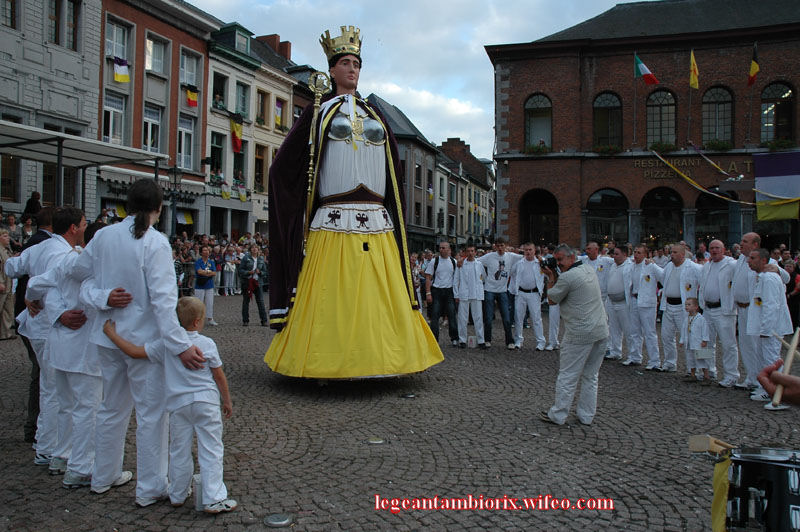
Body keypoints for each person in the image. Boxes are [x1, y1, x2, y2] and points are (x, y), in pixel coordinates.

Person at [264, 26, 442, 378]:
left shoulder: (375, 114)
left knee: (380, 295)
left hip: (377, 217)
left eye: (356, 64)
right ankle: (324, 362)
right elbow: (284, 165)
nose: (352, 70)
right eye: (345, 63)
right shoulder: (319, 112)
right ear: (332, 70)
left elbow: (393, 170)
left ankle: (387, 358)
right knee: (333, 295)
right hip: (333, 217)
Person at [66, 178, 204, 506]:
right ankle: (151, 486)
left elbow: (78, 275)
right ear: (159, 208)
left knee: (111, 408)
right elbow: (163, 301)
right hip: (143, 344)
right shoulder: (154, 243)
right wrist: (181, 346)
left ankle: (103, 475)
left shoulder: (103, 236)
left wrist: (100, 297)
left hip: (109, 336)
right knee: (152, 415)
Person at [103, 296, 237, 513]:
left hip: (178, 405)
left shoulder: (166, 344)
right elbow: (219, 375)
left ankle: (177, 493)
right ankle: (213, 497)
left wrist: (111, 334)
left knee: (179, 450)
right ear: (197, 322)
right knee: (211, 448)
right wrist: (227, 400)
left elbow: (134, 352)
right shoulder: (207, 343)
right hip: (206, 401)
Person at [539, 244, 609, 426]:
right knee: (591, 375)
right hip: (601, 330)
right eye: (556, 260)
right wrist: (556, 272)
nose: (558, 263)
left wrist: (550, 276)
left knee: (568, 375)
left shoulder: (568, 277)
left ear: (572, 258)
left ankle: (558, 414)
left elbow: (552, 299)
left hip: (580, 333)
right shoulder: (588, 269)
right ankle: (586, 415)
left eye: (560, 259)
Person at [8, 207, 53, 443]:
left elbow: (13, 268)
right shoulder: (44, 246)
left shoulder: (33, 245)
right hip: (37, 315)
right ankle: (37, 428)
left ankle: (36, 427)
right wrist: (30, 294)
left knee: (42, 374)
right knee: (43, 376)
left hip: (31, 312)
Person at [747, 248, 793, 402]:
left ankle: (775, 391)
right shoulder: (761, 277)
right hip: (764, 327)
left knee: (771, 360)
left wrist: (766, 329)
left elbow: (771, 306)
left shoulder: (770, 279)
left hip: (771, 328)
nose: (749, 261)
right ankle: (765, 387)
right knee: (763, 359)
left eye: (753, 258)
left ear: (763, 260)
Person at [698, 240, 738, 386]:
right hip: (707, 309)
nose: (714, 250)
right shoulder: (707, 265)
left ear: (723, 249)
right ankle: (708, 371)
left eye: (717, 248)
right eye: (712, 248)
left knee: (728, 344)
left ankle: (731, 375)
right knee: (705, 342)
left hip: (724, 310)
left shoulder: (731, 264)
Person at [657, 243, 702, 372]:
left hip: (684, 307)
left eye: (675, 252)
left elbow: (703, 278)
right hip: (669, 306)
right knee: (666, 336)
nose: (672, 254)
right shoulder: (669, 266)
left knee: (689, 338)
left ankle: (693, 368)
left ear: (683, 254)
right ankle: (670, 363)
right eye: (671, 252)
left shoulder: (693, 267)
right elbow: (662, 278)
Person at [624, 244, 664, 367]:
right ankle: (635, 356)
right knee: (634, 331)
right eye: (635, 252)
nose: (636, 255)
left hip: (647, 302)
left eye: (639, 253)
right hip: (634, 299)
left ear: (645, 254)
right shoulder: (631, 265)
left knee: (649, 332)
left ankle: (654, 360)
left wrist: (654, 263)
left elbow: (664, 276)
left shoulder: (650, 266)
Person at [478, 237, 522, 349]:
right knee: (488, 317)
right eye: (498, 246)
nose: (500, 248)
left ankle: (509, 341)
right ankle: (487, 339)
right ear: (495, 246)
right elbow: (476, 261)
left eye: (502, 245)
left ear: (505, 246)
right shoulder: (489, 256)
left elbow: (525, 257)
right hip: (489, 289)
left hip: (502, 290)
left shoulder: (510, 256)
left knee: (506, 318)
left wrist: (537, 257)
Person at [509, 242, 546, 350]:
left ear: (534, 251)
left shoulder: (540, 262)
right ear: (523, 251)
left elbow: (548, 272)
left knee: (536, 318)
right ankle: (518, 340)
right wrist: (514, 289)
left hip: (534, 293)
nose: (528, 252)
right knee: (518, 317)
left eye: (530, 250)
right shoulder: (519, 263)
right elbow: (511, 274)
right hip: (520, 293)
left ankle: (540, 341)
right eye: (526, 250)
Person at [425, 241, 459, 346]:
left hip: (449, 291)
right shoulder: (434, 261)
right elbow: (428, 277)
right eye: (440, 248)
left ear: (449, 249)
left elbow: (457, 278)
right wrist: (428, 293)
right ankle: (434, 339)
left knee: (452, 315)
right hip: (437, 291)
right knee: (435, 315)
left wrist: (457, 294)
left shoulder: (454, 262)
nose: (441, 250)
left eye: (444, 248)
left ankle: (454, 338)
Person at [453, 244, 486, 349]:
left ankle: (481, 340)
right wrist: (456, 294)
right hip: (464, 294)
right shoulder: (461, 264)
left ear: (475, 252)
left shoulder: (479, 264)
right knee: (462, 318)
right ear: (466, 253)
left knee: (478, 318)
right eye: (468, 251)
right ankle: (462, 340)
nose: (470, 253)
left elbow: (484, 277)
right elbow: (456, 280)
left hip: (476, 294)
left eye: (472, 251)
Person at [605, 246, 632, 361]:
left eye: (617, 254)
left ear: (624, 254)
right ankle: (615, 351)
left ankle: (633, 354)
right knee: (614, 328)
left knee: (628, 329)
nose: (614, 256)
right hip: (612, 301)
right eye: (614, 254)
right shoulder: (613, 266)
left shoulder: (630, 266)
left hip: (623, 302)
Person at [679, 298, 712, 385]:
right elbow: (683, 330)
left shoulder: (701, 318)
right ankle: (693, 375)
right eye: (686, 305)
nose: (687, 306)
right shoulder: (686, 318)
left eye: (689, 305)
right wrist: (682, 340)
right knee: (690, 359)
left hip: (699, 343)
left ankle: (706, 376)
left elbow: (705, 330)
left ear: (696, 307)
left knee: (702, 359)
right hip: (689, 343)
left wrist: (705, 340)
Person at [239, 244, 268, 327]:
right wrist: (248, 272)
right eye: (253, 248)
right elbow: (240, 270)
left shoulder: (261, 259)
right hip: (248, 282)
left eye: (256, 248)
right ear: (250, 249)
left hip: (258, 282)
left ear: (258, 250)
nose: (254, 249)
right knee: (246, 301)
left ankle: (264, 320)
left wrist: (260, 272)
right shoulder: (246, 258)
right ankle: (245, 320)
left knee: (261, 301)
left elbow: (265, 272)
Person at [194, 245, 218, 326]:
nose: (206, 252)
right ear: (201, 252)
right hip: (199, 285)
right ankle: (197, 319)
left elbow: (214, 272)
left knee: (209, 302)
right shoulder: (198, 262)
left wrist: (205, 273)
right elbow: (199, 271)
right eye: (204, 250)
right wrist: (208, 273)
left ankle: (210, 318)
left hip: (209, 285)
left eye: (207, 250)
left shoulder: (211, 262)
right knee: (199, 303)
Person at [0, 229, 15, 340]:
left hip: (8, 282)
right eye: (5, 236)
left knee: (7, 308)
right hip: (3, 282)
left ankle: (5, 332)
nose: (8, 238)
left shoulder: (6, 250)